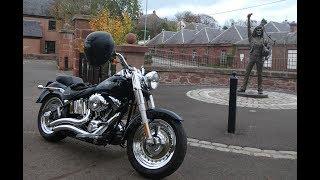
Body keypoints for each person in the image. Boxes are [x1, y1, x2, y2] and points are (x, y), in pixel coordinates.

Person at [238, 13, 270, 94]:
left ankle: (260, 89)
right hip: (252, 57)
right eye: (258, 30)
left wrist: (267, 55)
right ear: (255, 31)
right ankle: (243, 88)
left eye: (260, 30)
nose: (259, 31)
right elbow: (248, 28)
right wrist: (248, 18)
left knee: (260, 74)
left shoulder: (264, 40)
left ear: (261, 31)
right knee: (247, 72)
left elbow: (268, 50)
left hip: (260, 58)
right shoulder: (251, 38)